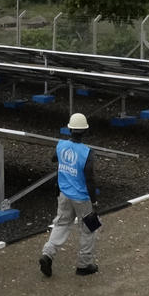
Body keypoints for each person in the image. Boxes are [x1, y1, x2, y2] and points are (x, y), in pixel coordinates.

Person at [39, 112, 100, 277]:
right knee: (89, 229)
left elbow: (53, 159)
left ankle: (47, 254)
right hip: (82, 199)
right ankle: (84, 265)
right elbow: (90, 179)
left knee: (60, 225)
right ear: (85, 131)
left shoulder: (60, 145)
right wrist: (94, 202)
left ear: (69, 129)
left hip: (64, 194)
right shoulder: (87, 153)